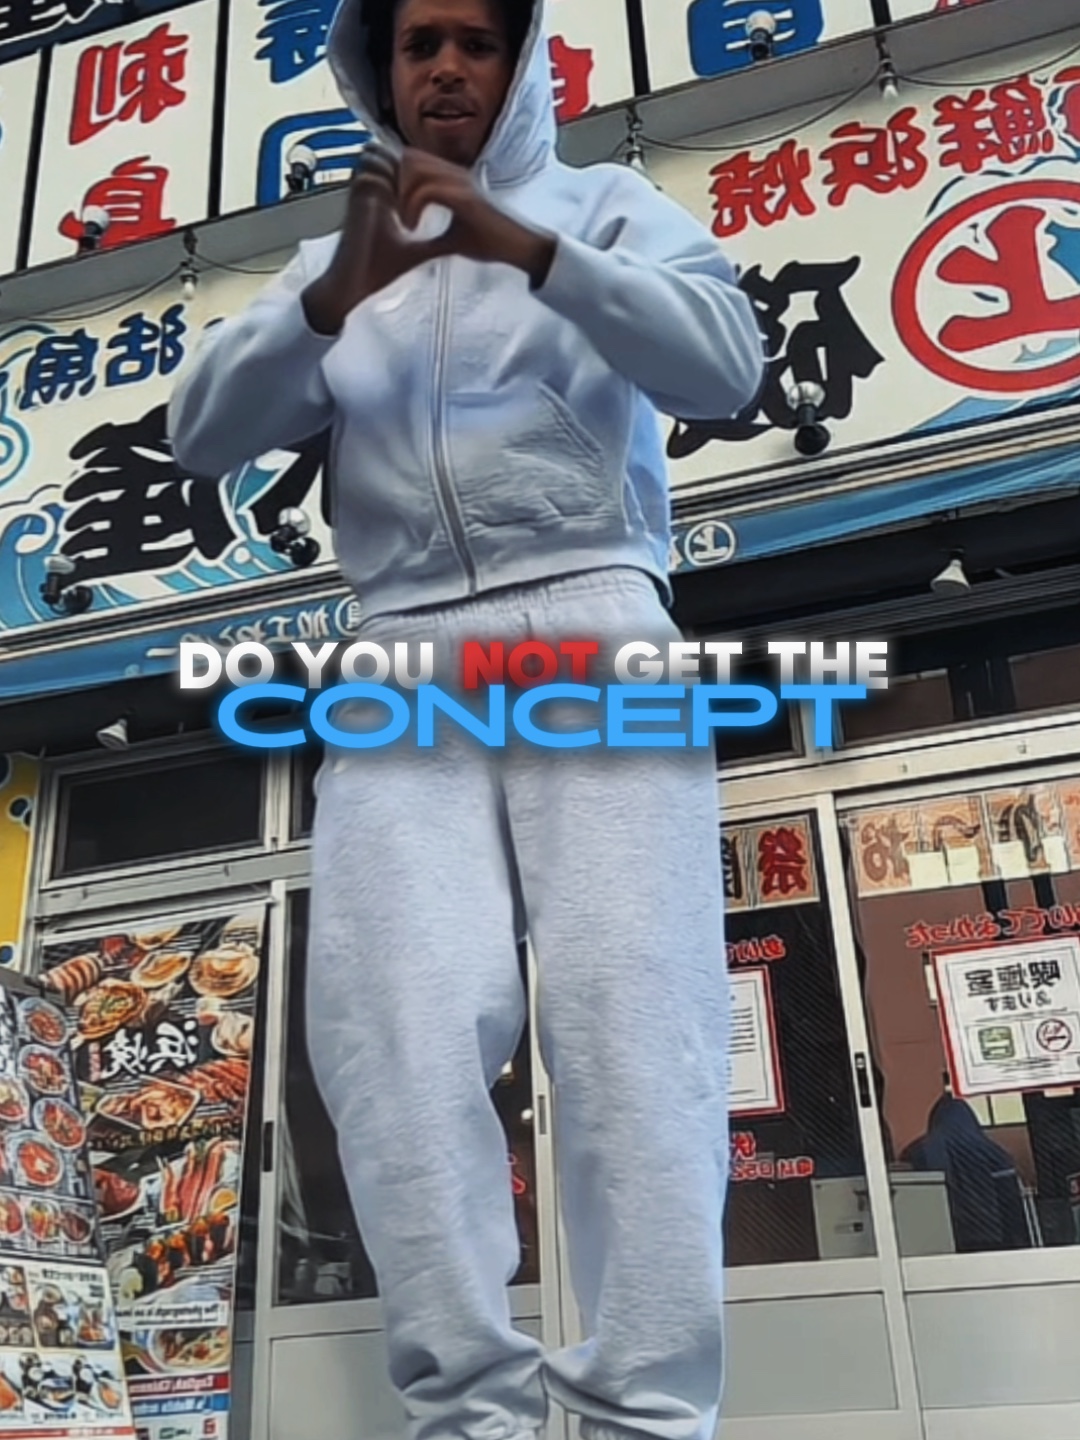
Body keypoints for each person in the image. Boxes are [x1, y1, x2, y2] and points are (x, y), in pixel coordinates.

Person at [168, 1, 764, 1439]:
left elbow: (725, 367)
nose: (445, 66)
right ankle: (467, 1414)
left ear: (522, 61)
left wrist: (530, 251)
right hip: (400, 645)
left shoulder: (604, 207)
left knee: (635, 1019)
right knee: (394, 1032)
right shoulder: (337, 257)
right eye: (417, 42)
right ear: (377, 71)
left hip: (593, 613)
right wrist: (331, 298)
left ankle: (644, 1413)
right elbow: (200, 433)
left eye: (477, 42)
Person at [903, 1095, 1030, 1253]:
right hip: (993, 1237)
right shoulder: (995, 1155)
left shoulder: (920, 1151)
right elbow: (1011, 1205)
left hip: (944, 1238)